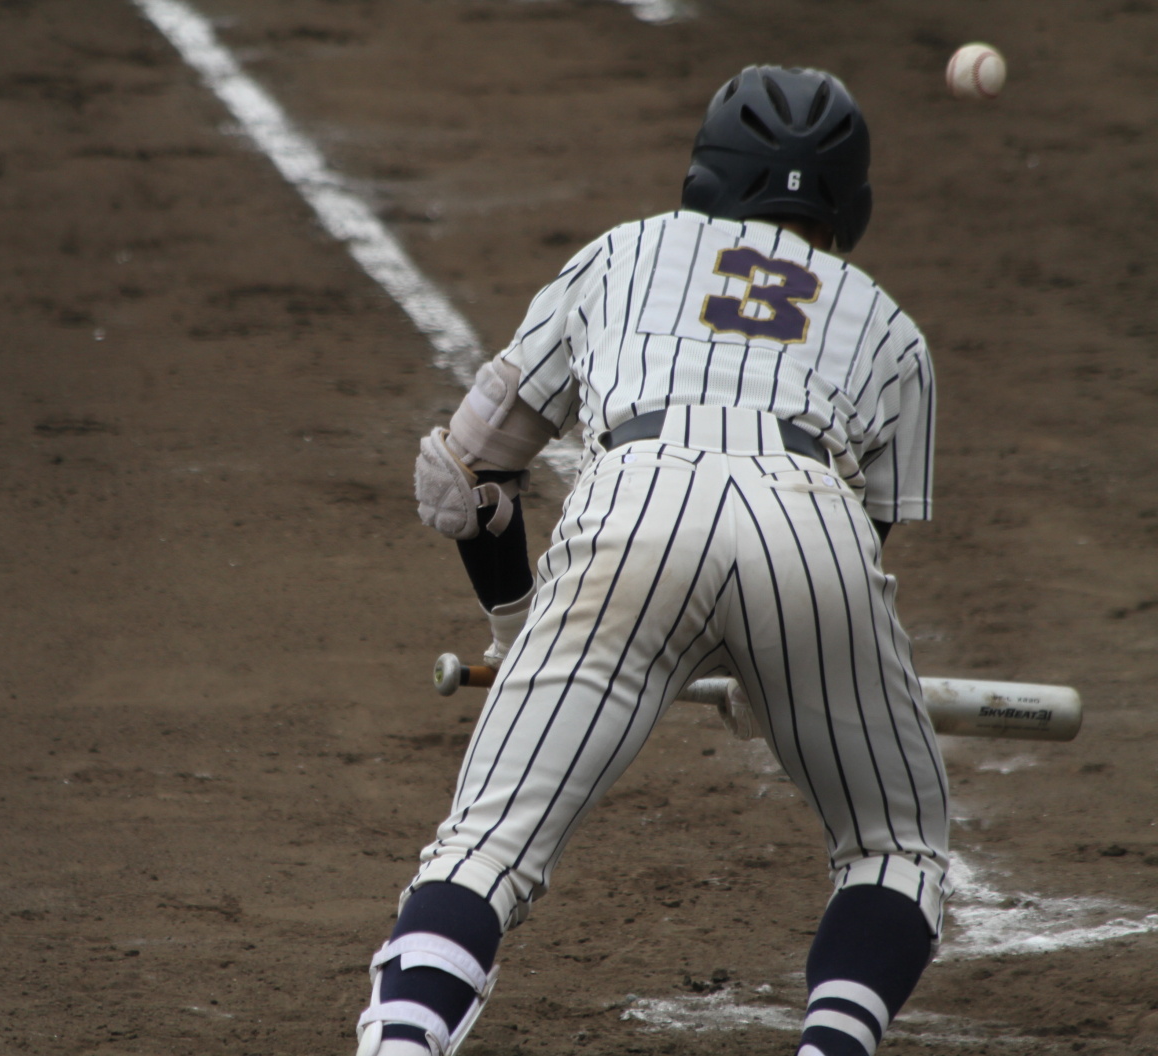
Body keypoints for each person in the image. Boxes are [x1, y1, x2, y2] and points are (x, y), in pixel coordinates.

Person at [356, 65, 951, 1056]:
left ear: (705, 174)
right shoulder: (893, 331)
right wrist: (761, 667)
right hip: (812, 532)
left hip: (633, 508)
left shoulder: (623, 253)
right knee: (898, 845)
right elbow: (865, 549)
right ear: (854, 203)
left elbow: (465, 477)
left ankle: (401, 1044)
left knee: (485, 850)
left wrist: (516, 625)